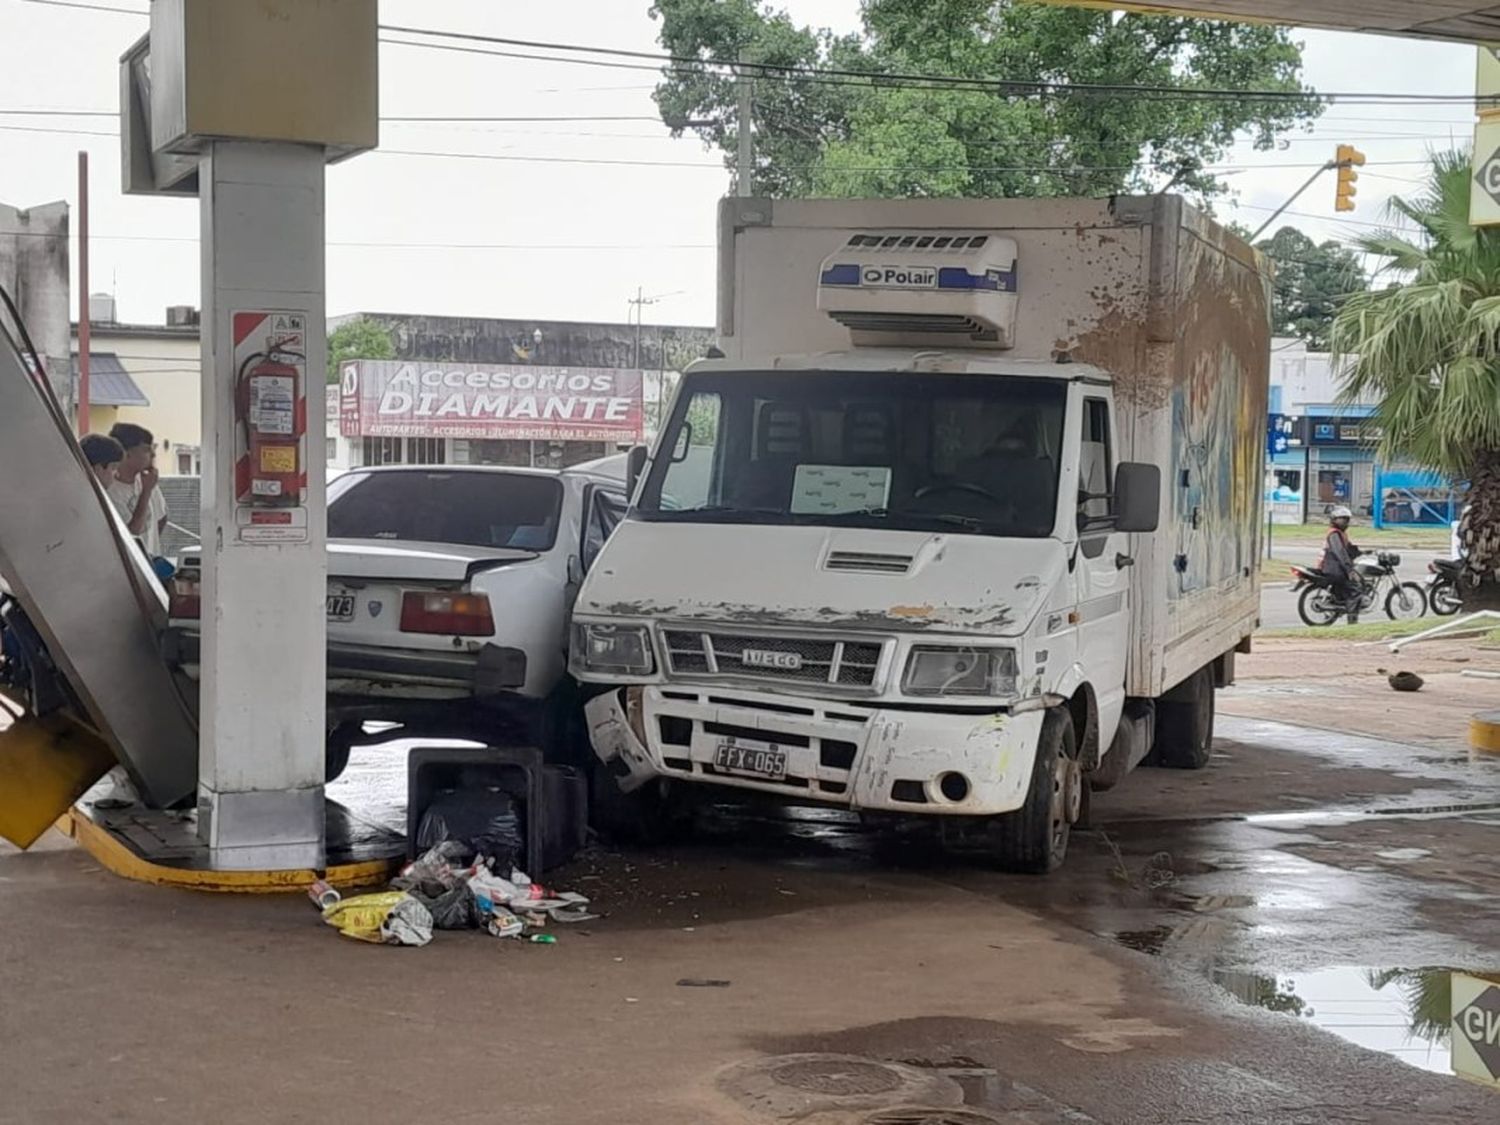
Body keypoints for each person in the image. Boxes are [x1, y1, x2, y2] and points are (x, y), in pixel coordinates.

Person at [106, 423, 168, 560]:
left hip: (152, 563)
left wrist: (151, 546)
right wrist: (146, 492)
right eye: (146, 450)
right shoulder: (110, 490)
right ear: (126, 454)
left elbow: (162, 518)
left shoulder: (147, 480)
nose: (153, 455)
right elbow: (132, 534)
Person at [1319, 505, 1363, 621]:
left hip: (1335, 568)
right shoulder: (1334, 534)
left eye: (1347, 519)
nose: (1345, 522)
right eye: (1342, 519)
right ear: (1334, 519)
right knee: (1356, 590)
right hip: (1335, 569)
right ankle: (1352, 620)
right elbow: (1340, 553)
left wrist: (1363, 552)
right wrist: (1349, 570)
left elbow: (1348, 549)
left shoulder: (1339, 534)